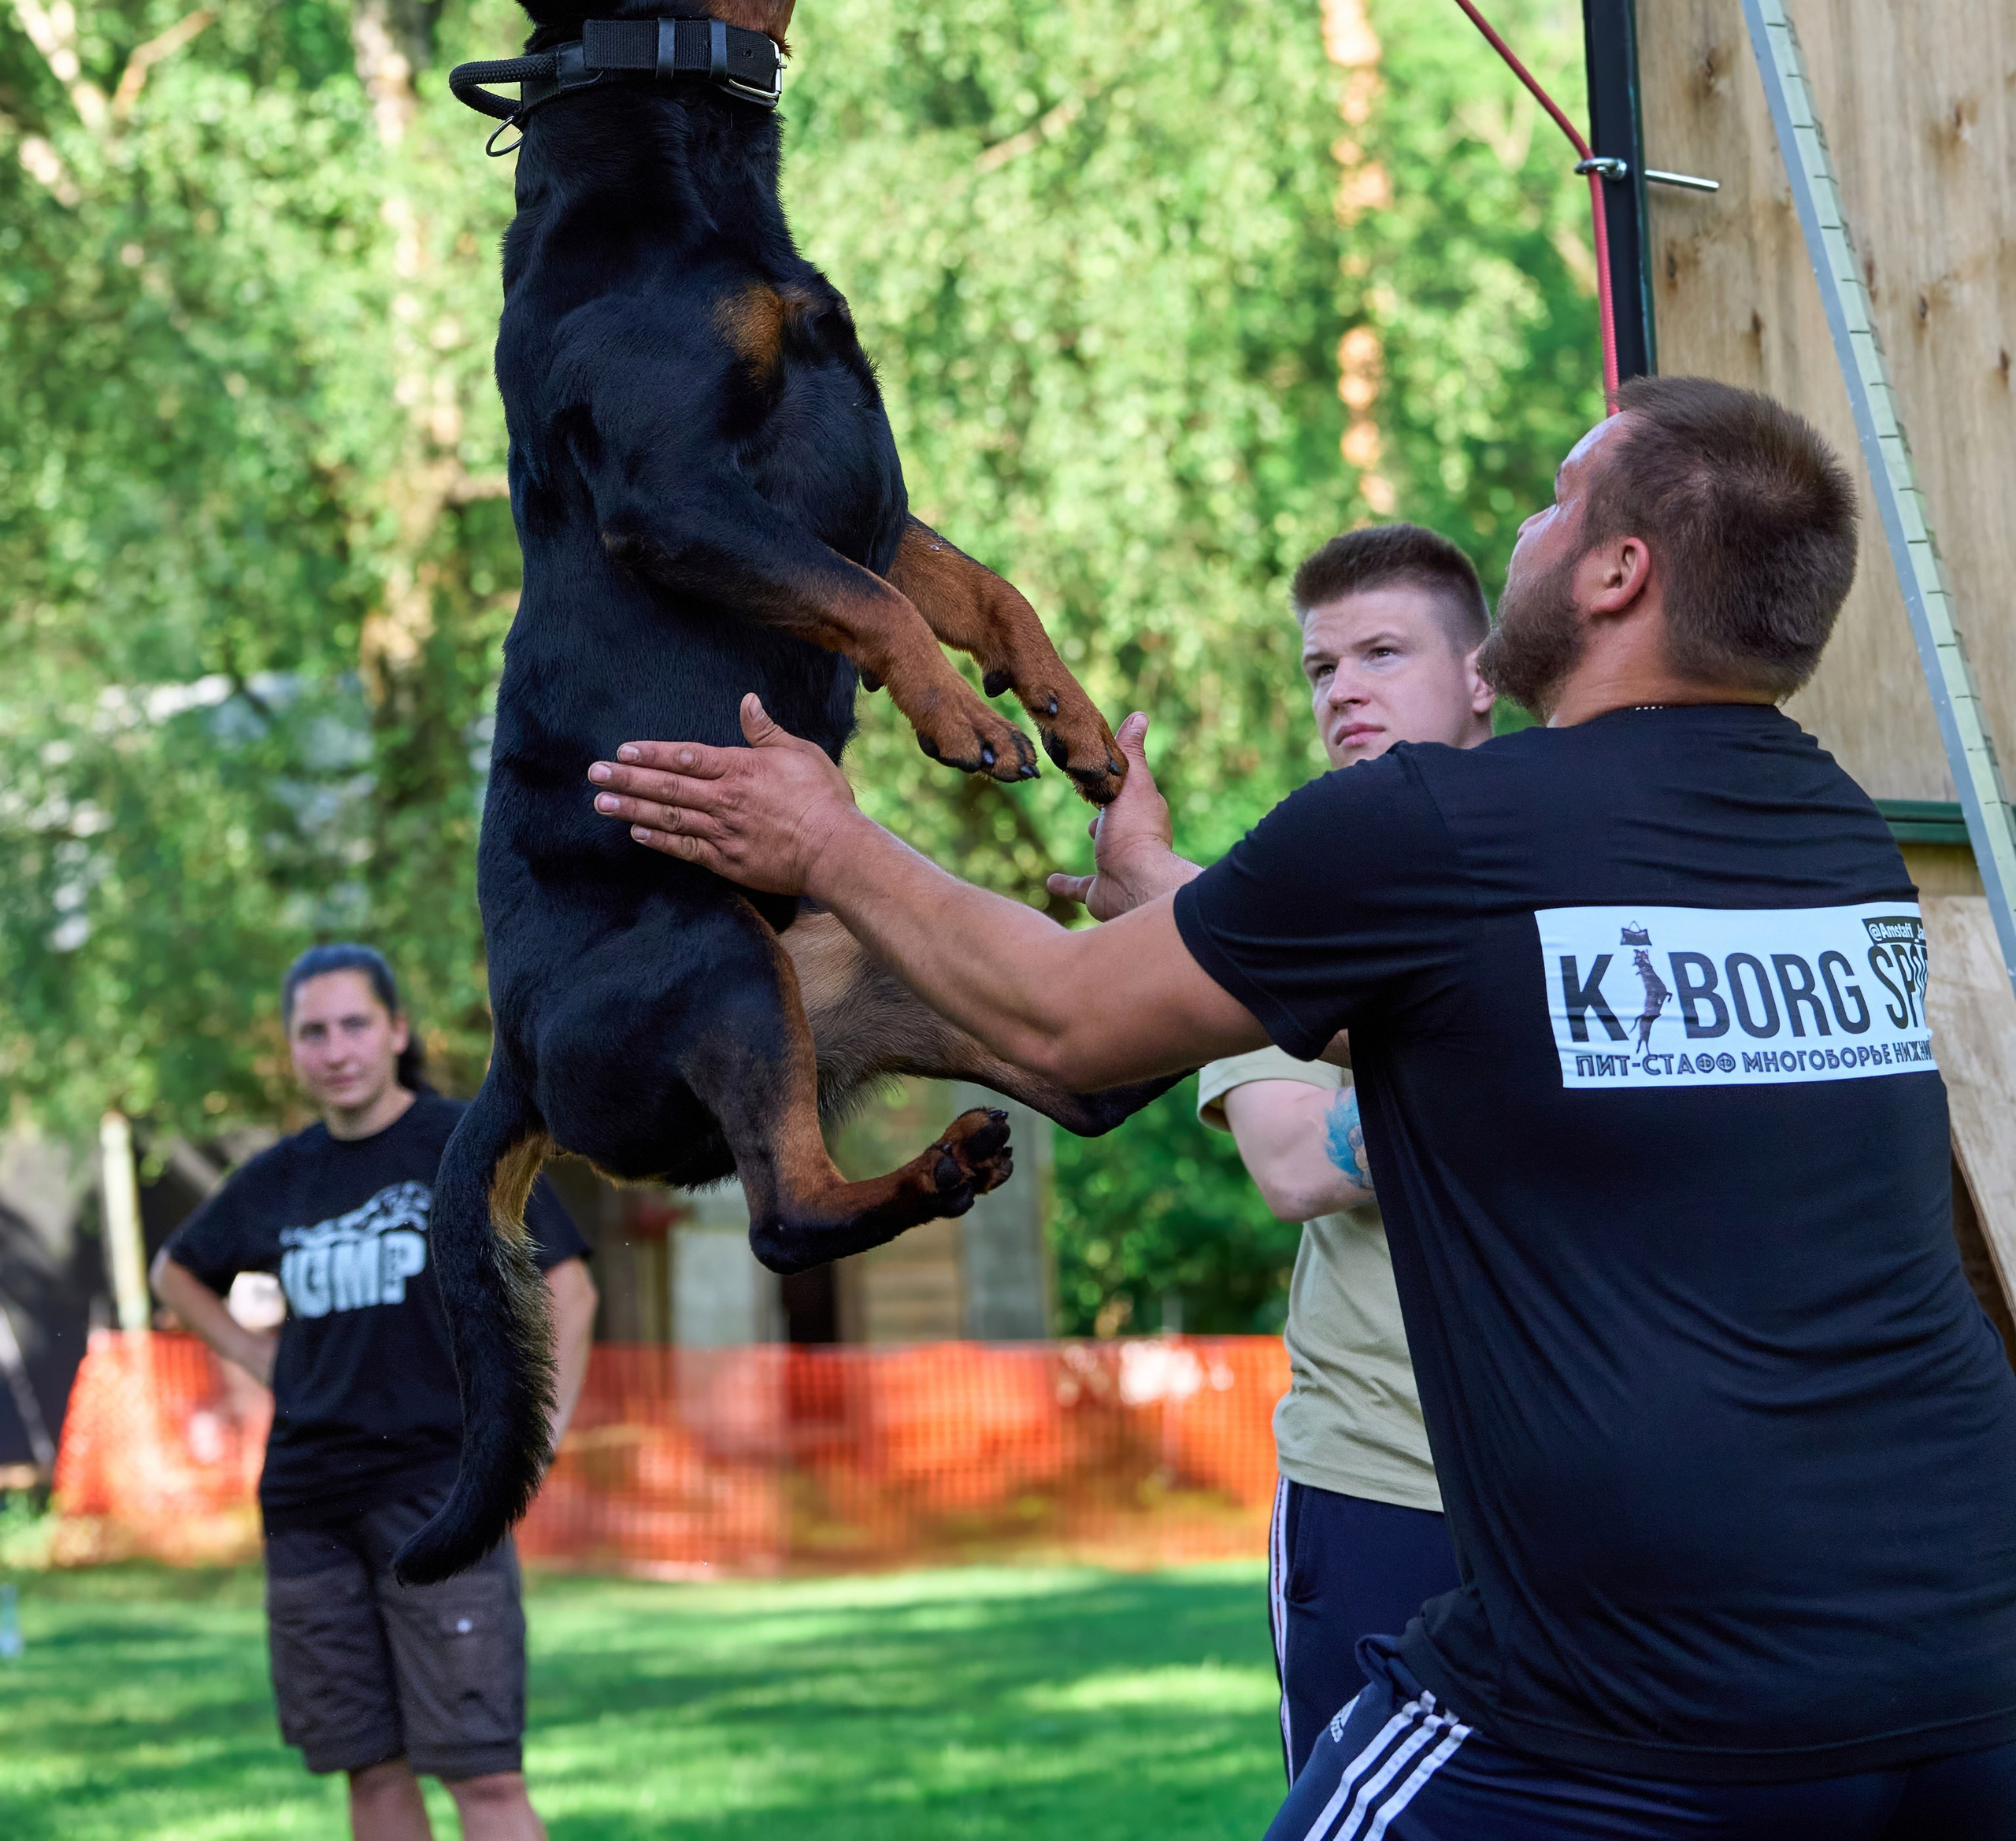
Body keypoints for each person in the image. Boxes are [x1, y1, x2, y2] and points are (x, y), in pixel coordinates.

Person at [588, 377, 2016, 1835]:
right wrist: (1169, 897)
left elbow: (1058, 1018)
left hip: (1626, 1701)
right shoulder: (1829, 836)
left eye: (1556, 502)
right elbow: (1484, 1004)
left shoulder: (1438, 828)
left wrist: (828, 843)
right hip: (1972, 1648)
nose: (1523, 526)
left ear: (1618, 573)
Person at [154, 945, 598, 1841]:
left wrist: (537, 1436)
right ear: (292, 1050)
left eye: (356, 1023)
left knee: (484, 1775)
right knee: (371, 1772)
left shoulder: (464, 1141)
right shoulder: (282, 1175)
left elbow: (570, 1287)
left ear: (397, 1031)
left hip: (438, 1495)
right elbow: (176, 1272)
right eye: (312, 1032)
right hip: (308, 1506)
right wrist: (261, 1357)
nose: (336, 1048)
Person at [1186, 525, 1490, 1781]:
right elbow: (1295, 1165)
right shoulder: (1282, 894)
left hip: (1598, 1478)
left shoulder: (1569, 853)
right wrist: (1496, 1052)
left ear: (1483, 673)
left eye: (1381, 652)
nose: (1344, 691)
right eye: (1321, 669)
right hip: (1380, 1479)